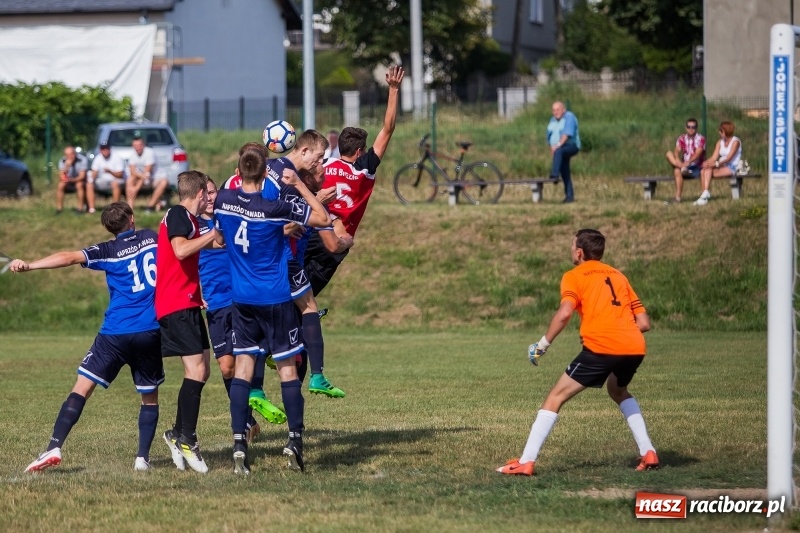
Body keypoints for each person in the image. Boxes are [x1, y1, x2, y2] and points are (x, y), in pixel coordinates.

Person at [13, 202, 164, 473]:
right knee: (149, 397)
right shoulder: (151, 238)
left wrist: (31, 265)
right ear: (132, 219)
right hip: (149, 330)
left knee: (81, 388)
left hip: (114, 333)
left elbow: (69, 257)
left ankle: (54, 446)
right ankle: (142, 458)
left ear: (108, 228)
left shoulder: (107, 250)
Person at [497, 229, 657, 476]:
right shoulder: (618, 275)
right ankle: (648, 451)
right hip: (634, 346)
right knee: (618, 391)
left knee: (555, 397)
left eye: (572, 246)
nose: (571, 250)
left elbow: (564, 314)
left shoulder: (574, 276)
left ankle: (526, 462)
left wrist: (542, 345)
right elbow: (644, 323)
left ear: (580, 252)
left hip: (602, 347)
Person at [213, 147, 331, 475]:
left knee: (243, 369)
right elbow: (322, 219)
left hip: (242, 299)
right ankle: (294, 441)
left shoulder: (223, 200)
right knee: (287, 371)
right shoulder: (275, 207)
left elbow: (220, 239)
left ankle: (239, 444)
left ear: (238, 171)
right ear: (266, 173)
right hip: (275, 298)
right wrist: (301, 185)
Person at [265, 132, 354, 398]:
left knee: (287, 322)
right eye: (319, 158)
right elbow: (267, 220)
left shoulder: (273, 169)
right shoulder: (288, 178)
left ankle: (273, 388)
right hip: (281, 259)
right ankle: (316, 375)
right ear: (303, 151)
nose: (321, 164)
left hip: (271, 260)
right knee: (308, 308)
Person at [304, 65, 405, 296]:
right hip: (336, 239)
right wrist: (393, 89)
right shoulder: (363, 169)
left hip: (310, 231)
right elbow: (388, 129)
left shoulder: (324, 164)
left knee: (287, 286)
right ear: (360, 152)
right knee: (305, 297)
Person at [198, 176, 283, 439]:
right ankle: (248, 417)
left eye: (213, 191)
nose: (210, 197)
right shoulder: (191, 227)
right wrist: (194, 292)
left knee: (248, 353)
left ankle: (245, 416)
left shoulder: (231, 216)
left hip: (240, 298)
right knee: (227, 368)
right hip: (215, 304)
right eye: (205, 193)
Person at [156, 170, 218, 474]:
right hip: (175, 304)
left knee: (202, 370)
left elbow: (212, 244)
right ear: (200, 193)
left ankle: (176, 433)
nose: (211, 198)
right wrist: (213, 235)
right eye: (209, 193)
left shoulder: (191, 220)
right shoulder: (179, 214)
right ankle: (188, 440)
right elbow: (180, 250)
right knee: (196, 371)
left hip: (189, 303)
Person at [694, 121, 742, 206]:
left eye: (721, 131)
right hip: (721, 165)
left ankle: (704, 197)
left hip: (732, 166)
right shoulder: (720, 142)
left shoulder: (736, 142)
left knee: (707, 170)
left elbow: (729, 158)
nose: (719, 132)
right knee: (704, 170)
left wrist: (716, 164)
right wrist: (706, 163)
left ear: (726, 131)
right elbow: (713, 157)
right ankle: (705, 194)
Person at [664, 118, 706, 204]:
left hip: (696, 166)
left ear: (696, 128)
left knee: (677, 170)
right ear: (686, 128)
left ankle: (678, 196)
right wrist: (677, 159)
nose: (691, 129)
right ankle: (678, 198)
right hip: (684, 165)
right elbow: (677, 150)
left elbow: (697, 154)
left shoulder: (700, 139)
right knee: (669, 154)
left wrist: (688, 162)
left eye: (693, 127)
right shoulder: (682, 138)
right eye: (689, 127)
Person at [546, 101, 581, 203]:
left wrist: (557, 146)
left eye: (558, 110)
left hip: (571, 146)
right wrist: (552, 146)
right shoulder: (552, 120)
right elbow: (550, 135)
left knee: (559, 151)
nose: (555, 112)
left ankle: (555, 175)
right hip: (559, 148)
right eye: (554, 110)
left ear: (563, 110)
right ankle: (569, 196)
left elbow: (567, 134)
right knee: (565, 171)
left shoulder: (569, 117)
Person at [126, 135, 170, 213]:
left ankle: (150, 207)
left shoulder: (150, 152)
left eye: (139, 145)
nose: (138, 147)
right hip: (143, 178)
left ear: (143, 145)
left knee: (164, 182)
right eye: (135, 145)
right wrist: (140, 176)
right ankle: (130, 209)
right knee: (130, 179)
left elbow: (147, 172)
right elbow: (132, 171)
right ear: (132, 146)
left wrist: (136, 189)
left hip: (155, 178)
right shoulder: (132, 154)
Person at [87, 140, 125, 213]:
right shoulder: (98, 158)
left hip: (115, 179)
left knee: (115, 184)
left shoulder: (117, 157)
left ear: (109, 149)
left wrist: (110, 171)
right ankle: (91, 209)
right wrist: (93, 177)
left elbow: (120, 174)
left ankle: (115, 208)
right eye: (103, 149)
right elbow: (94, 171)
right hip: (102, 180)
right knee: (89, 184)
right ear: (100, 150)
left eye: (106, 148)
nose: (105, 151)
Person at [55, 146, 88, 214]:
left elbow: (82, 176)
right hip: (68, 181)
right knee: (60, 185)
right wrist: (66, 167)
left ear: (75, 153)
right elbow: (61, 177)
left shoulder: (82, 159)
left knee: (79, 185)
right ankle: (59, 209)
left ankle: (80, 209)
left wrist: (71, 180)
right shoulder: (62, 161)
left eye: (72, 154)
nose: (70, 156)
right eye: (67, 155)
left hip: (79, 180)